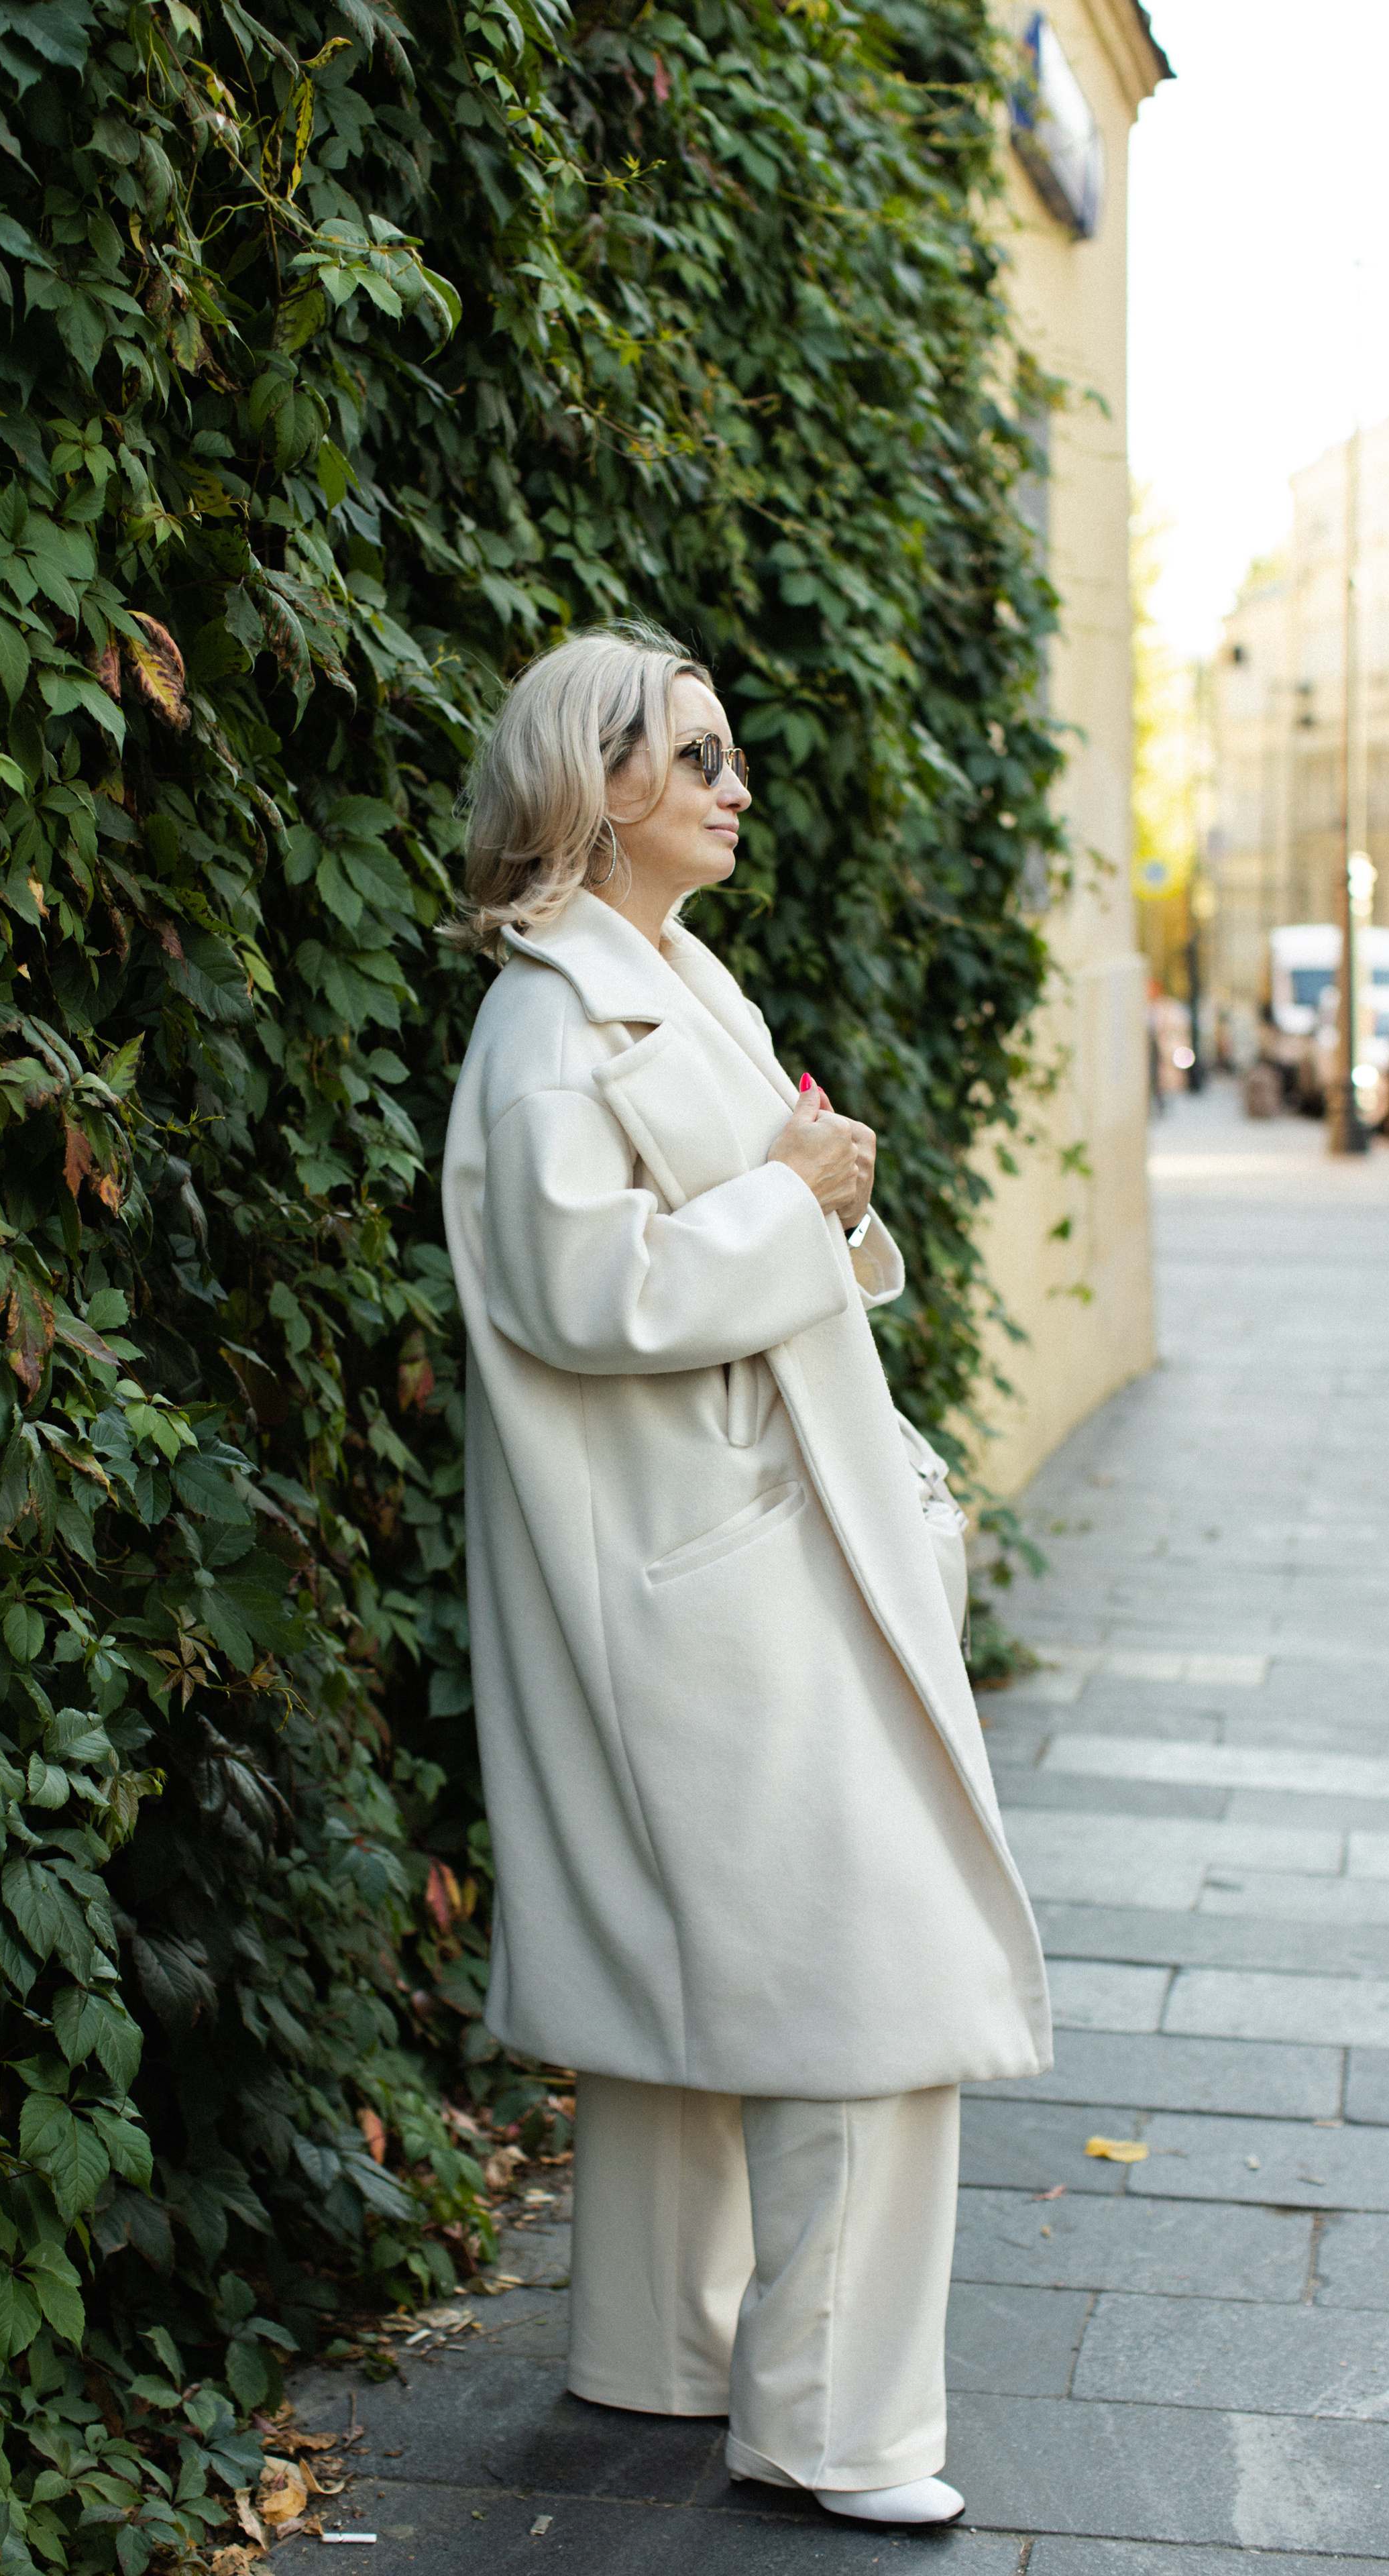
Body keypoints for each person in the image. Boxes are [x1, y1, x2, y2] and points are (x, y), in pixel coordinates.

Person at [441, 623, 1050, 2529]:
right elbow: (590, 1292)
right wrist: (800, 1194)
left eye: (727, 751)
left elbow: (754, 1228)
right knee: (868, 1981)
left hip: (719, 1546)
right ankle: (837, 2430)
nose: (736, 784)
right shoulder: (555, 1025)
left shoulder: (670, 979)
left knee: (702, 1968)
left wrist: (814, 1203)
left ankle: (663, 2347)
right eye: (695, 756)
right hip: (701, 1568)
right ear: (598, 783)